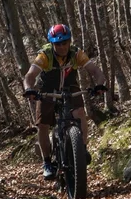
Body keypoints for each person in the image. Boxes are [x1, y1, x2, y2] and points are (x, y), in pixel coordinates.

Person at [22, 24, 107, 180]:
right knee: (42, 125)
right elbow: (30, 76)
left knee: (80, 112)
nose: (62, 47)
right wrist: (29, 88)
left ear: (69, 41)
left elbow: (96, 71)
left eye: (65, 43)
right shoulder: (45, 55)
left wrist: (100, 84)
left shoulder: (76, 53)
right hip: (47, 89)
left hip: (70, 87)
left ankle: (82, 148)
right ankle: (47, 162)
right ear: (52, 44)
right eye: (58, 44)